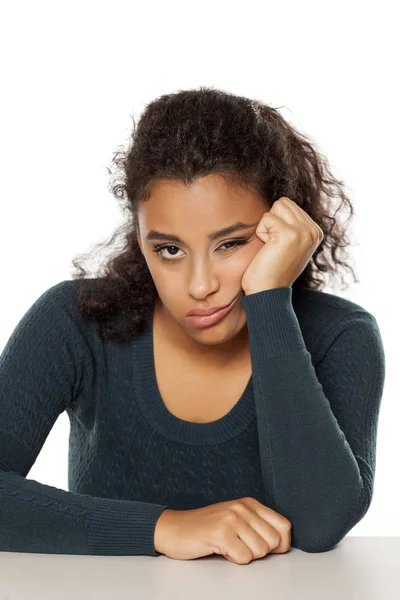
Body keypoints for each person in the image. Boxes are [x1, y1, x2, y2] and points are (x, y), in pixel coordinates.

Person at [0, 87, 385, 562]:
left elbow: (320, 522)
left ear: (280, 230)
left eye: (230, 244)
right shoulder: (77, 321)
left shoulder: (341, 336)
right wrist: (163, 528)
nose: (200, 285)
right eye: (169, 249)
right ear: (139, 240)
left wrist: (269, 301)